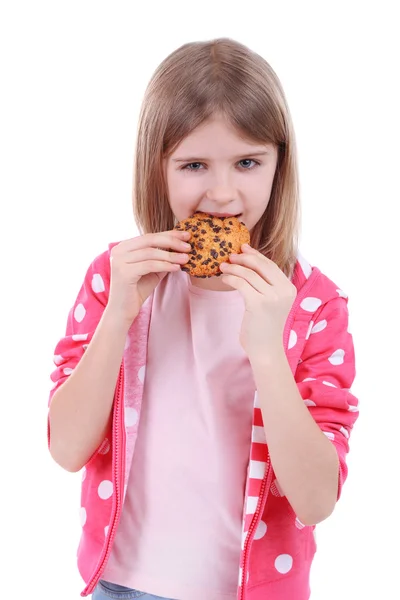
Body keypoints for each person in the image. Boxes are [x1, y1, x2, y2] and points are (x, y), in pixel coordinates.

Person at [47, 38, 358, 600]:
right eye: (193, 165)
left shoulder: (312, 304)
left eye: (246, 162)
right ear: (156, 169)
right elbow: (67, 448)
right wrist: (118, 315)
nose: (222, 193)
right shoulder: (116, 277)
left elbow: (316, 500)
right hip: (119, 585)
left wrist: (267, 351)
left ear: (278, 166)